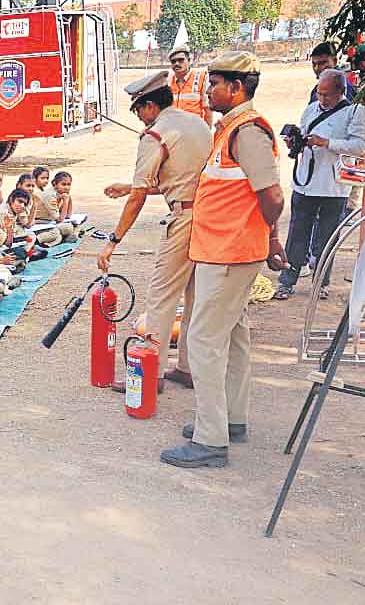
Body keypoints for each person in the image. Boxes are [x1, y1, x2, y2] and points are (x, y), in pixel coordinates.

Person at [160, 51, 289, 470]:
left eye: (215, 83)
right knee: (233, 338)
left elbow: (271, 196)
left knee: (202, 342)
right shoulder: (229, 128)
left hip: (230, 255)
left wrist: (270, 238)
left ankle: (210, 438)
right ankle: (231, 419)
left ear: (236, 88)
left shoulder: (247, 132)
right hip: (226, 251)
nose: (207, 88)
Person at [100, 70, 212, 391]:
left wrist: (113, 241)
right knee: (193, 297)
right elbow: (181, 177)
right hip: (207, 217)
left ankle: (152, 374)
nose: (139, 119)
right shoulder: (197, 123)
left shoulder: (155, 135)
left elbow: (138, 198)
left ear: (149, 106)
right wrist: (130, 187)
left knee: (161, 298)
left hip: (183, 221)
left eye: (138, 111)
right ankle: (187, 367)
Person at [275, 68, 365, 301]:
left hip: (333, 185)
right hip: (305, 181)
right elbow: (304, 136)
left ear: (340, 91)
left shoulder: (354, 112)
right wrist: (295, 143)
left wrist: (327, 143)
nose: (322, 99)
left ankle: (321, 282)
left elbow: (359, 146)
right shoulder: (311, 110)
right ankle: (287, 281)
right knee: (297, 233)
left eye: (327, 94)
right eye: (319, 93)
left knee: (327, 236)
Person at [166, 46, 212, 125]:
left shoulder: (201, 77)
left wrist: (206, 132)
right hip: (174, 129)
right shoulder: (168, 81)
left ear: (189, 61)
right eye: (173, 61)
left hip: (194, 129)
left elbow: (207, 110)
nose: (176, 63)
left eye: (181, 60)